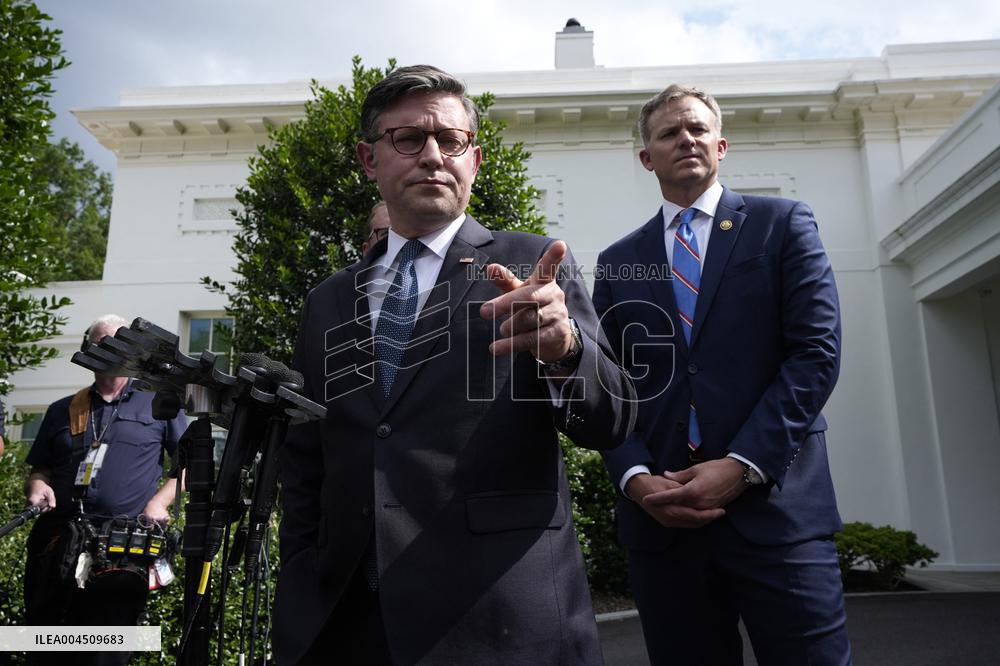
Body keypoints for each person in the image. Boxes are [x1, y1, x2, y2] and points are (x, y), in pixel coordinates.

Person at [274, 65, 635, 665]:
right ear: (370, 159)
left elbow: (613, 420)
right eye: (408, 139)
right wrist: (300, 578)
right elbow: (308, 456)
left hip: (499, 617)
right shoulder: (328, 301)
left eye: (451, 140)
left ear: (475, 158)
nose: (433, 156)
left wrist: (564, 349)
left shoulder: (533, 263)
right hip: (351, 623)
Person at [592, 84, 851, 665]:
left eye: (697, 129)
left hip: (777, 517)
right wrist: (634, 477)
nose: (685, 139)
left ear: (721, 145)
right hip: (663, 525)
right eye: (668, 133)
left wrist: (743, 466)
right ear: (646, 157)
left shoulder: (781, 224)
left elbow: (816, 353)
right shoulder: (617, 262)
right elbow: (607, 386)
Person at [23, 314, 187, 666]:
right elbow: (40, 469)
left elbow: (186, 466)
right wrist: (37, 488)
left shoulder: (159, 402)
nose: (108, 351)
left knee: (107, 652)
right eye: (100, 344)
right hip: (59, 545)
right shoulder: (61, 409)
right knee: (46, 646)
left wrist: (160, 502)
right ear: (87, 349)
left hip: (123, 550)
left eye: (117, 343)